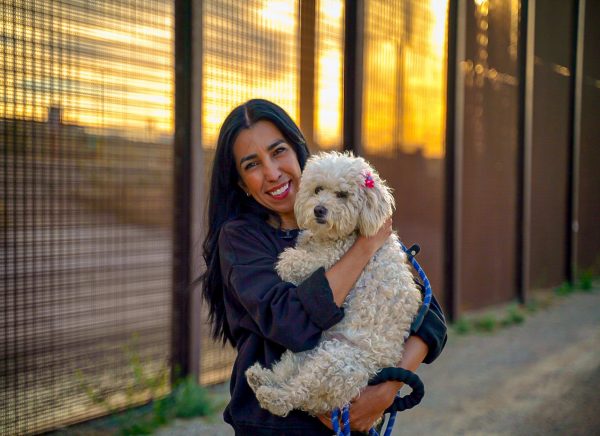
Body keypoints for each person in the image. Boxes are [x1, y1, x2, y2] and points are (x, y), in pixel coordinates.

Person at [199, 99, 447, 435]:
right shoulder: (241, 239)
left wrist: (386, 391)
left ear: (299, 150)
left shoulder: (349, 216)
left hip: (352, 423)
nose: (272, 173)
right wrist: (365, 247)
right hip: (274, 427)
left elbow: (430, 318)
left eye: (278, 151)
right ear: (242, 182)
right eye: (252, 164)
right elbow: (292, 323)